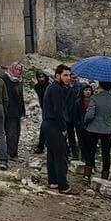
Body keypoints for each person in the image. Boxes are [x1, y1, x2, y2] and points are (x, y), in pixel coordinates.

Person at [41, 64, 72, 194]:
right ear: (58, 75)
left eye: (69, 75)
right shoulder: (56, 89)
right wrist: (63, 128)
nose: (68, 78)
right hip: (54, 125)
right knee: (60, 155)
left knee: (52, 154)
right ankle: (63, 186)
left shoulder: (53, 87)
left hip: (48, 124)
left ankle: (53, 181)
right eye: (65, 75)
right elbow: (58, 111)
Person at [84, 81, 111, 180]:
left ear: (100, 85)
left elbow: (90, 115)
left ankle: (87, 175)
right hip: (108, 128)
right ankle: (105, 175)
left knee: (91, 151)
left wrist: (85, 121)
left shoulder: (94, 98)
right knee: (106, 153)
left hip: (93, 128)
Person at [0, 61, 26, 161]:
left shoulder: (19, 81)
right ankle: (11, 154)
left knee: (16, 132)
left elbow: (20, 97)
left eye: (20, 70)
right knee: (11, 132)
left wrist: (23, 110)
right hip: (8, 111)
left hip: (17, 111)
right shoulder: (5, 79)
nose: (18, 71)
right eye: (17, 69)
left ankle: (13, 152)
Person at [72, 83, 94, 180]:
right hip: (80, 127)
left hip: (91, 128)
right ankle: (84, 161)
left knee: (91, 146)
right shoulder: (78, 102)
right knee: (82, 144)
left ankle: (90, 164)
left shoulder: (93, 102)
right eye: (86, 90)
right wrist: (79, 124)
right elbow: (75, 115)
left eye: (89, 90)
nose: (88, 92)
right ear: (82, 91)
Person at [64, 72, 81, 160]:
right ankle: (73, 154)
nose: (74, 79)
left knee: (79, 135)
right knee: (70, 135)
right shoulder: (65, 87)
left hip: (77, 115)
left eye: (75, 78)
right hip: (68, 115)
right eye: (72, 78)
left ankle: (79, 155)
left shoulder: (79, 86)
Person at [32, 70, 50, 154]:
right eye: (39, 77)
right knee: (44, 128)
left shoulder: (49, 86)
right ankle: (41, 146)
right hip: (43, 109)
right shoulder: (37, 87)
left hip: (51, 109)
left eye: (43, 77)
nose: (41, 79)